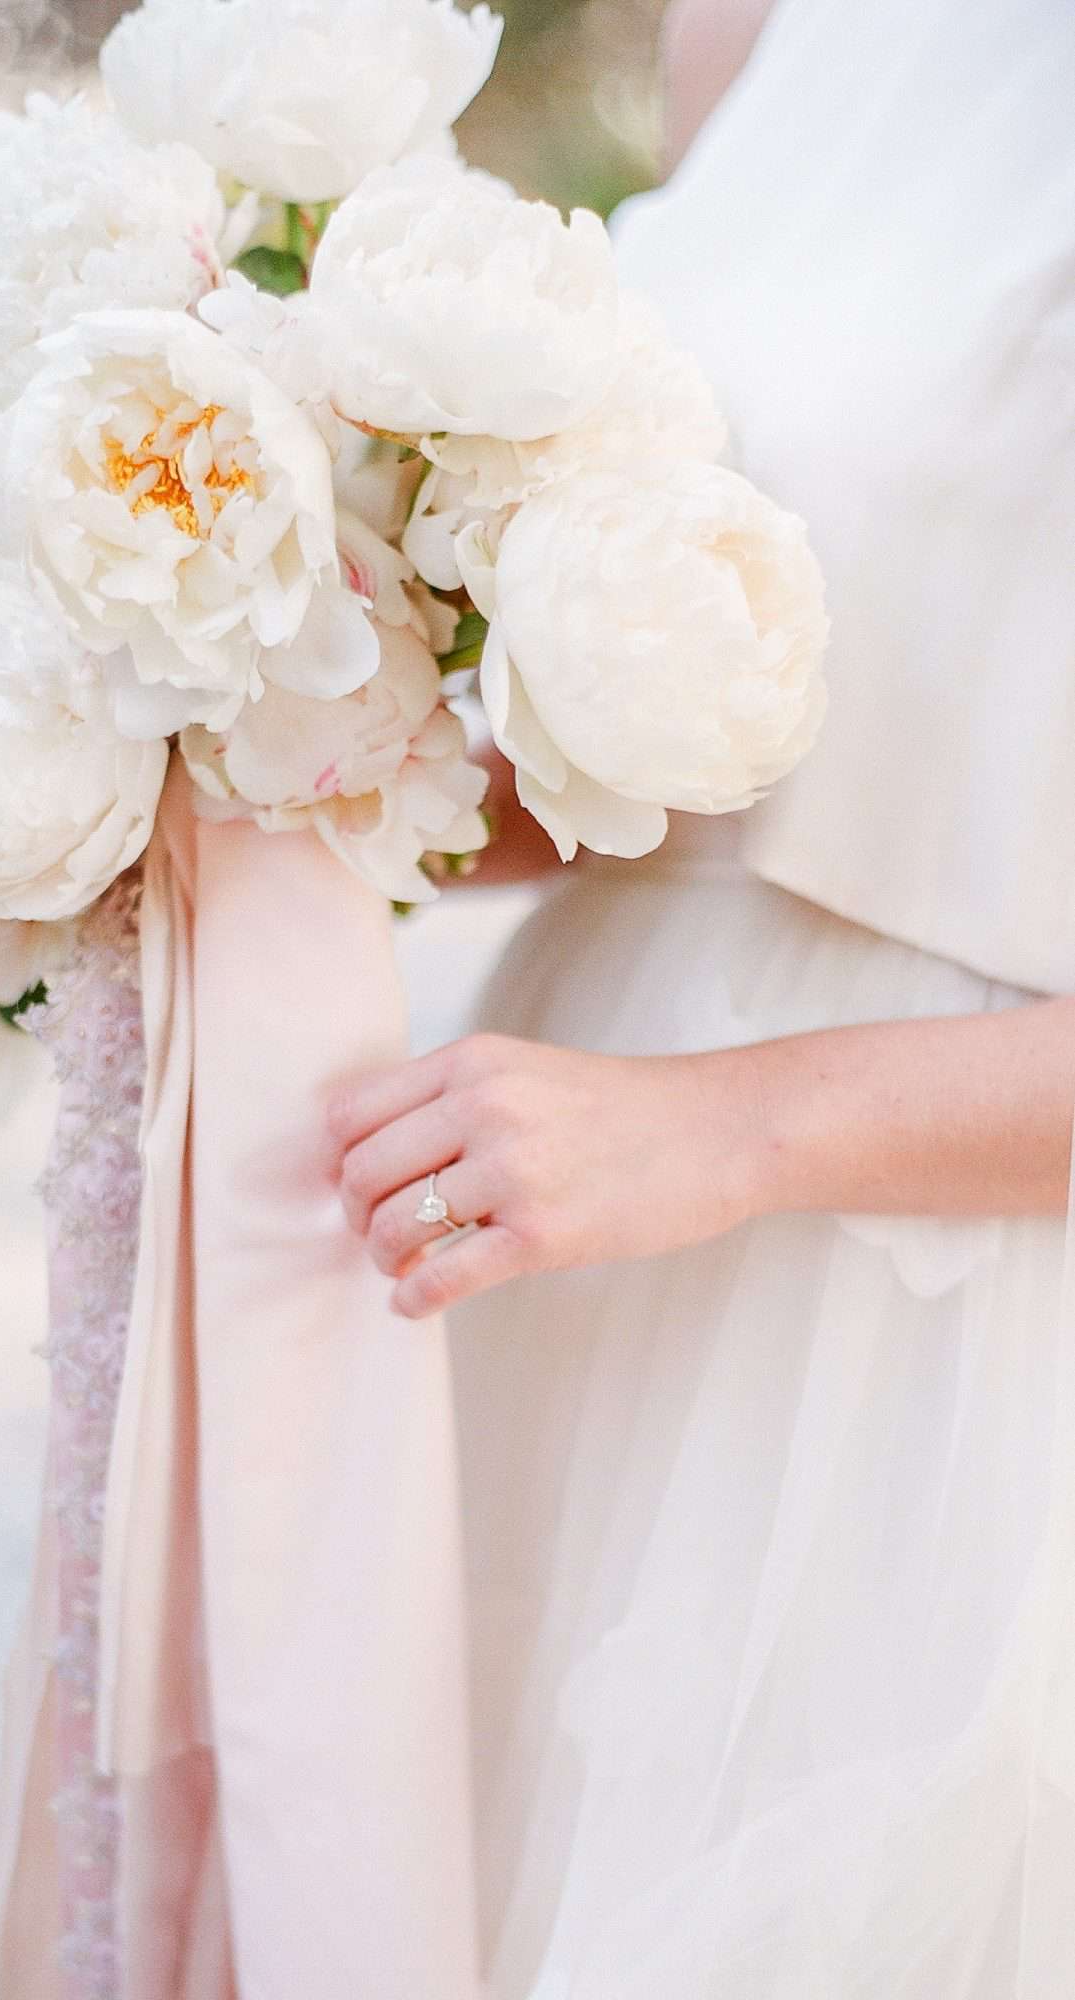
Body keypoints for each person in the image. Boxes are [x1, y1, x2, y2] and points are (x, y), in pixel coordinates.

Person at [327, 0, 1075, 1989]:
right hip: (587, 1221)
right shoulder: (754, 28)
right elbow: (724, 733)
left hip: (964, 1331)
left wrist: (726, 1125)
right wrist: (265, 761)